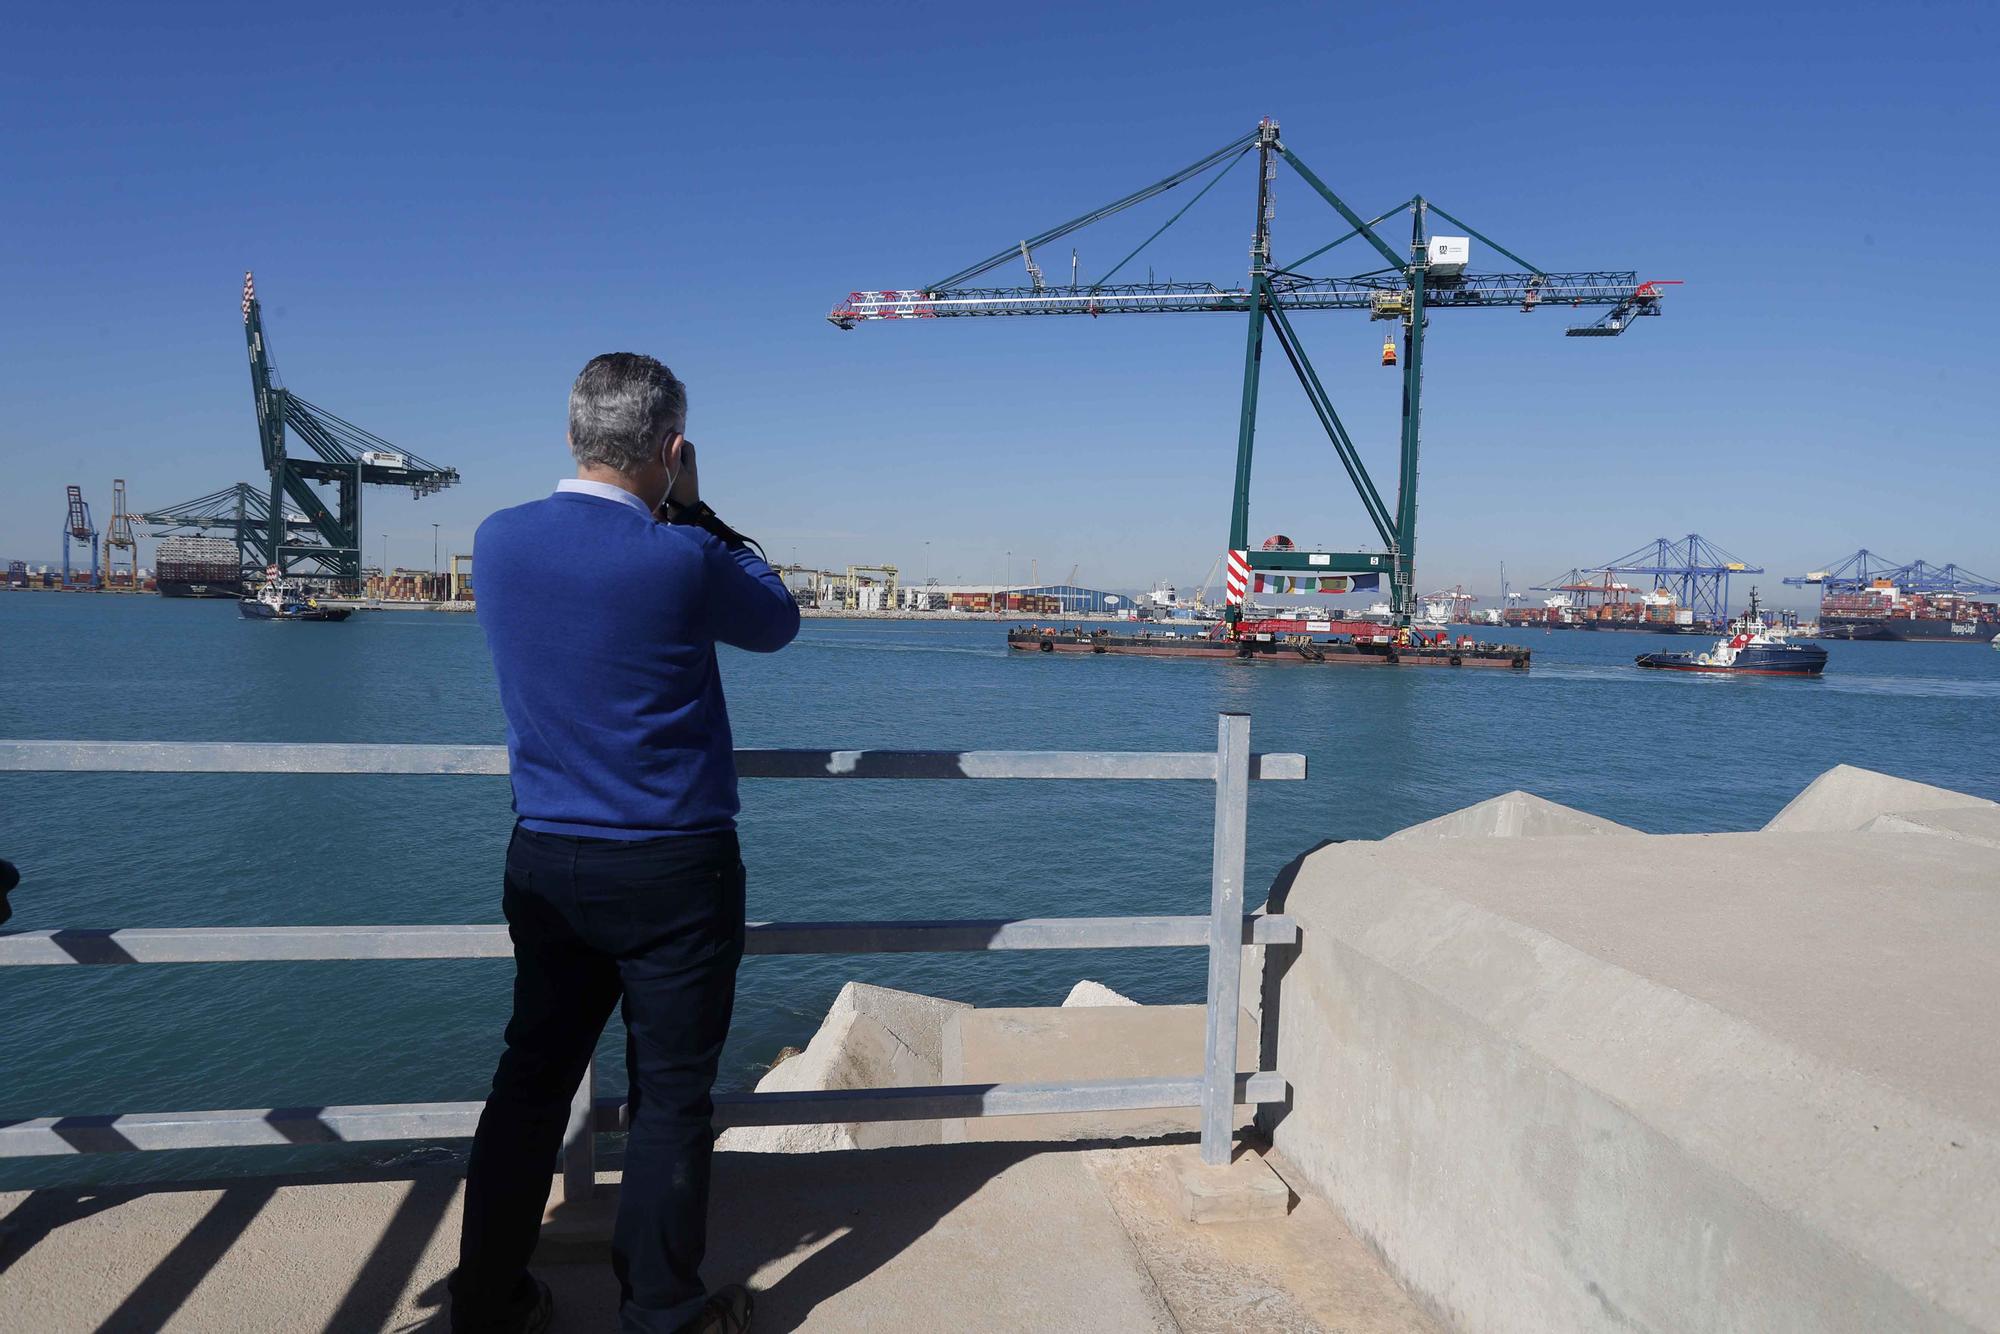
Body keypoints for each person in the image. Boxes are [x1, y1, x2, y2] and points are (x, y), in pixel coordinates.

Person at [452, 353, 798, 1334]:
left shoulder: (497, 539)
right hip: (674, 868)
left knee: (529, 1081)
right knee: (670, 1097)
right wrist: (695, 510)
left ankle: (486, 1300)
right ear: (670, 448)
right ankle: (658, 1311)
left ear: (571, 436)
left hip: (547, 857)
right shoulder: (680, 555)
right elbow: (777, 619)